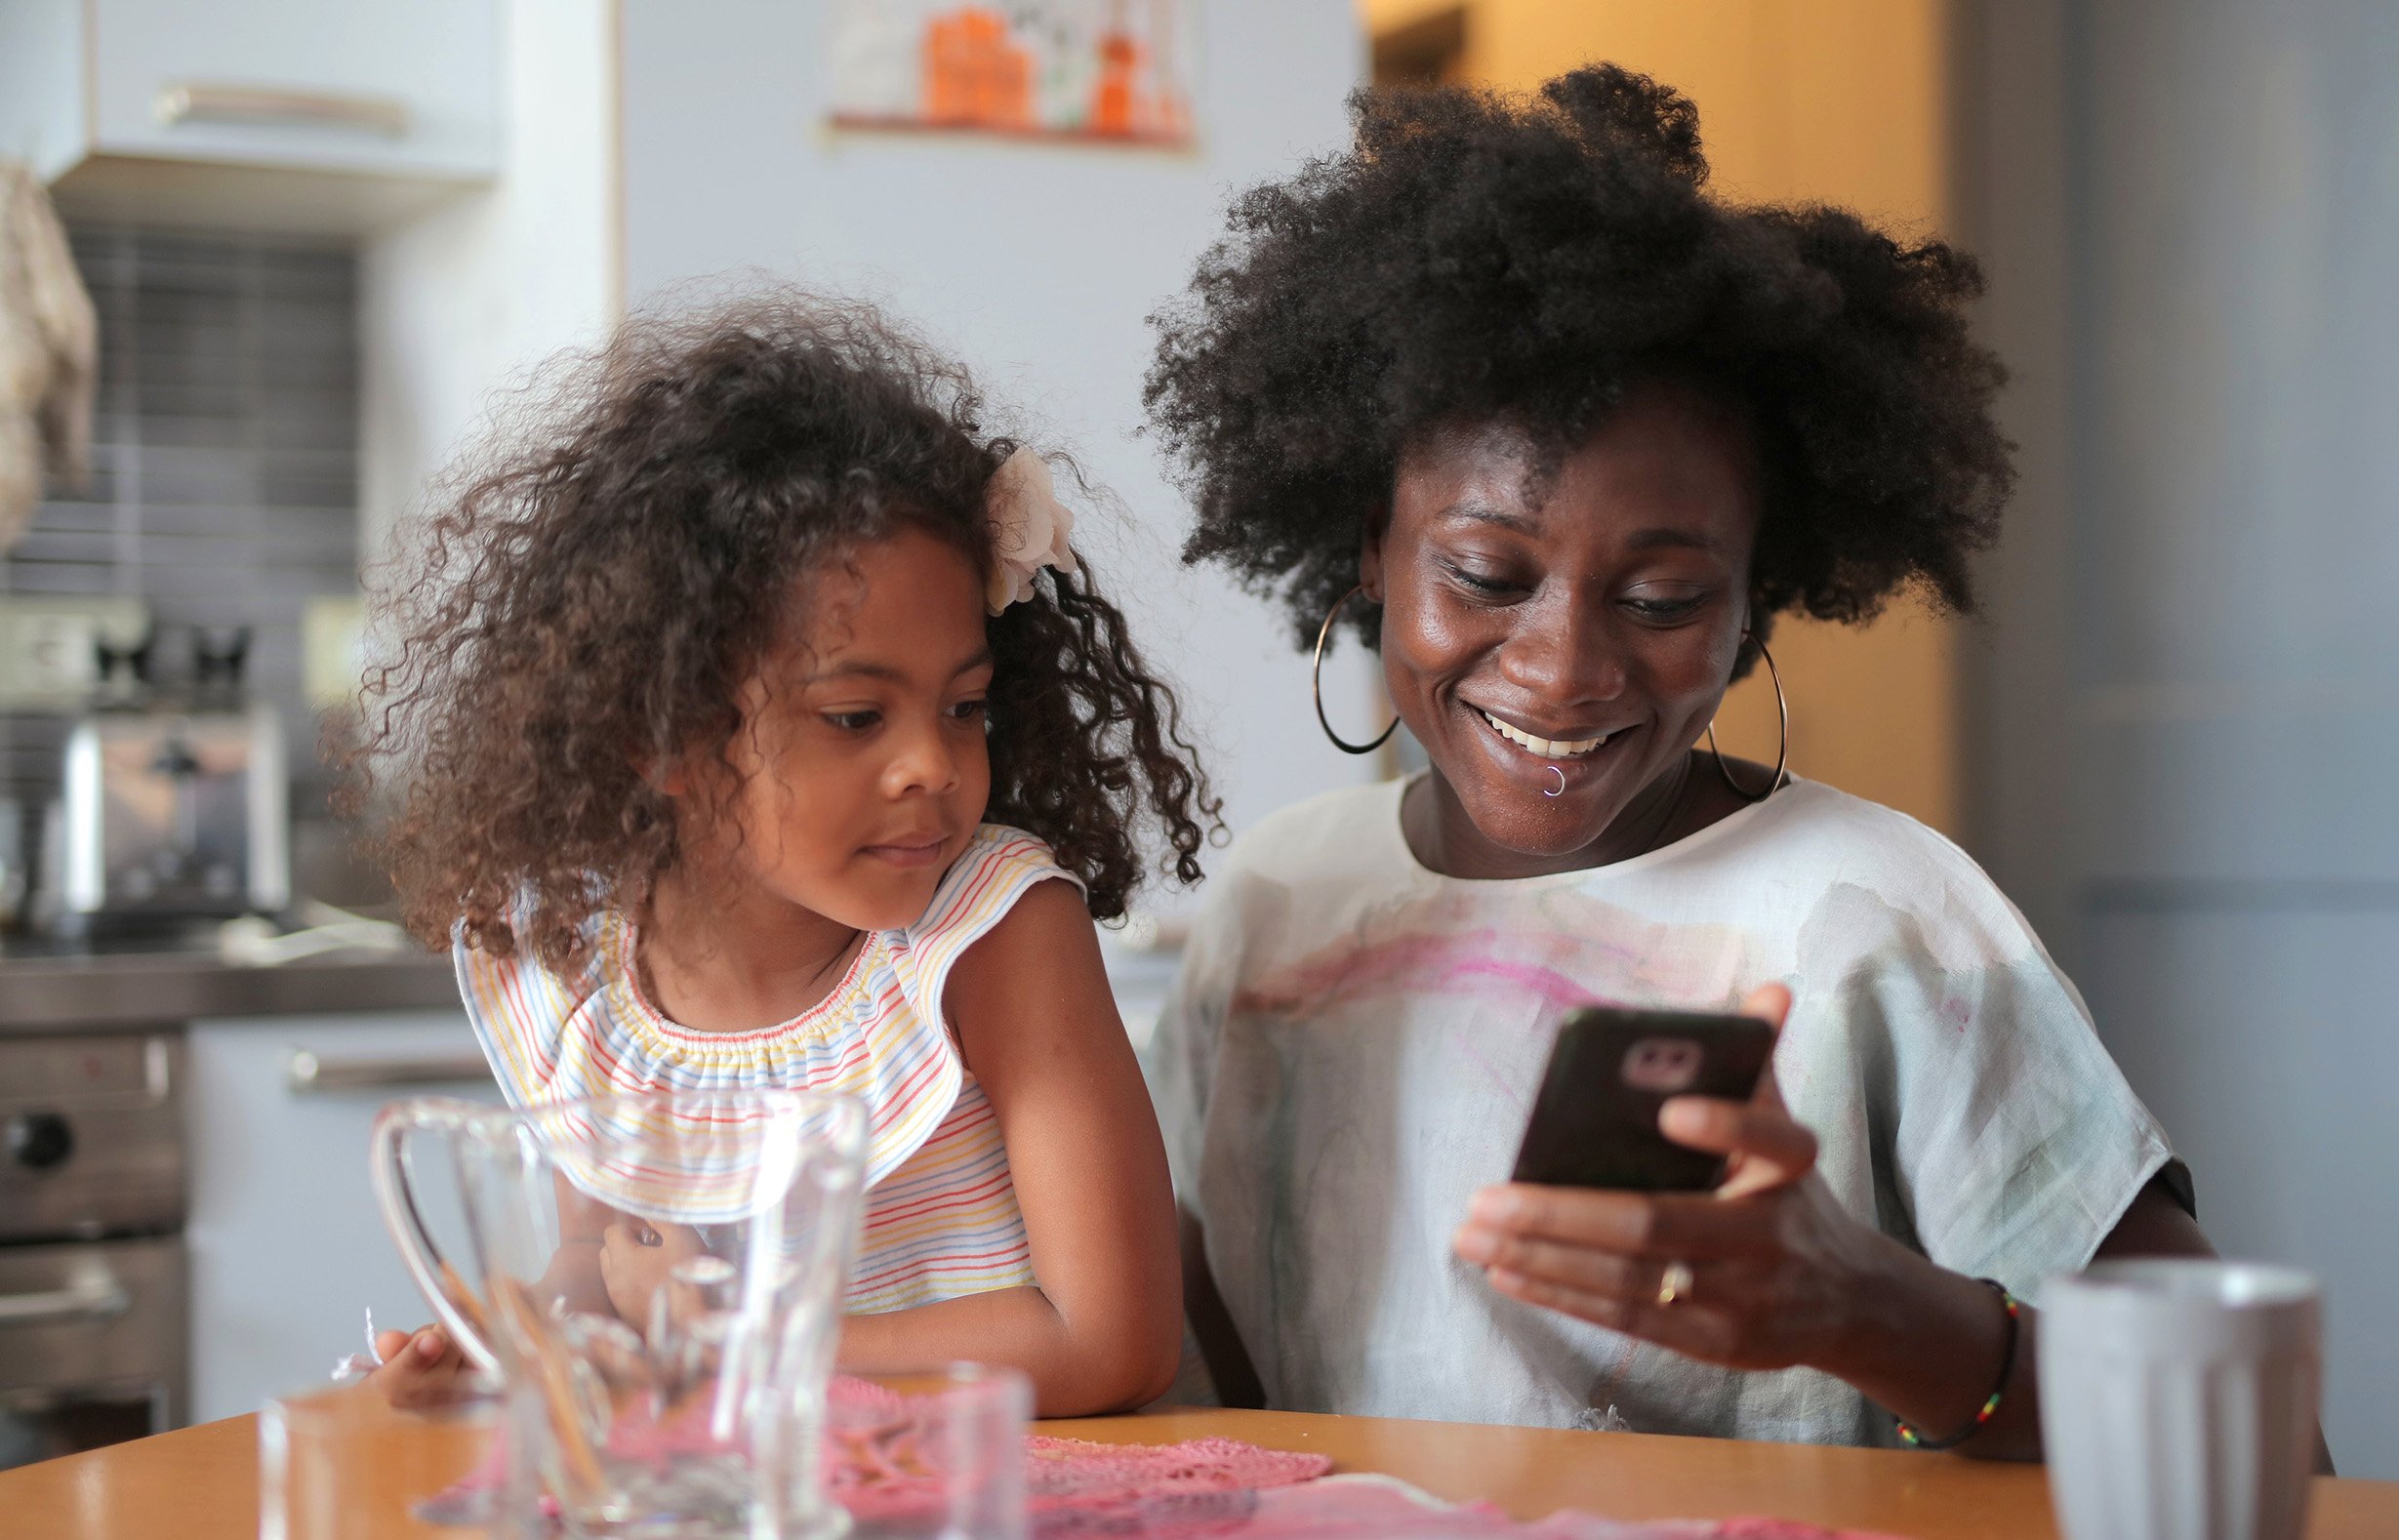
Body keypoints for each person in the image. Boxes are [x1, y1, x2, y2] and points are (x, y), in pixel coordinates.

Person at [1140, 66, 2238, 1458]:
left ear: (1752, 599)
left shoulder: (1873, 916)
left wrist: (1869, 1312)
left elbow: (2241, 1432)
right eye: (1486, 573)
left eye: (1660, 600)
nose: (1563, 669)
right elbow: (1194, 1363)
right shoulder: (1281, 898)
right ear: (1371, 544)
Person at [352, 294, 1207, 1415]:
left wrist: (731, 1347)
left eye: (964, 707)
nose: (932, 768)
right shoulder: (582, 967)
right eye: (857, 718)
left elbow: (1108, 1343)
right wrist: (524, 1340)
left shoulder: (991, 933)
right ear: (659, 732)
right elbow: (604, 1272)